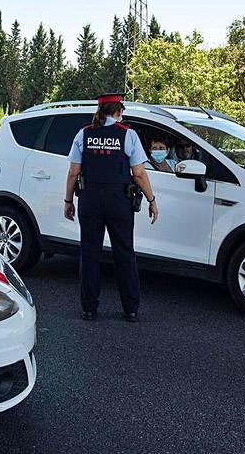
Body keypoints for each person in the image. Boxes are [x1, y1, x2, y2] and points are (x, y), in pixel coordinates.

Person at [64, 93, 159, 323]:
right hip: (119, 201)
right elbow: (139, 173)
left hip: (90, 199)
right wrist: (151, 199)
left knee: (89, 253)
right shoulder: (128, 135)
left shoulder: (83, 133)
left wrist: (68, 201)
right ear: (118, 111)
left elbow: (73, 172)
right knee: (124, 253)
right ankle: (130, 309)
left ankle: (89, 309)